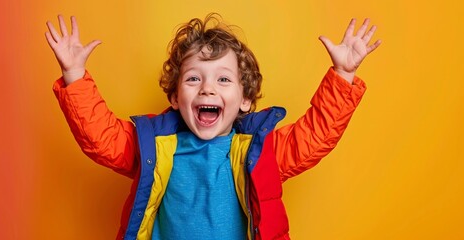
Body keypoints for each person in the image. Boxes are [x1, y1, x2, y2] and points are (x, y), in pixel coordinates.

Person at [45, 13, 380, 240]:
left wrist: (343, 76)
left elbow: (313, 137)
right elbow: (102, 139)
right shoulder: (157, 145)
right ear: (175, 97)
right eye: (193, 79)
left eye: (223, 79)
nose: (207, 88)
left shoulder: (258, 151)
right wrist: (75, 76)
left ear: (245, 99)